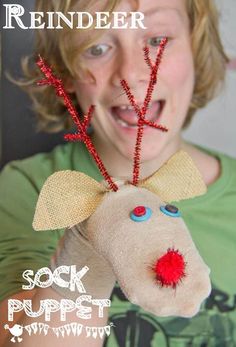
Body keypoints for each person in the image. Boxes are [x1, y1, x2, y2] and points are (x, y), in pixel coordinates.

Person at [0, 0, 236, 346]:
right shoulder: (30, 189)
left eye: (157, 40)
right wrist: (87, 241)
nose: (130, 73)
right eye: (96, 47)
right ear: (66, 74)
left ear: (198, 53)